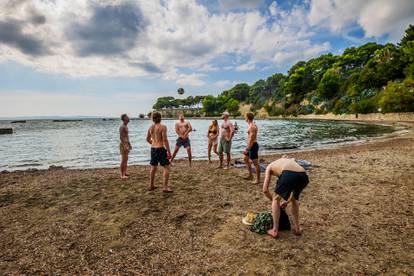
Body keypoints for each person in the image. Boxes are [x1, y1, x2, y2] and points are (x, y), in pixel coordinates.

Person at [262, 157, 309, 238]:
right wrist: (287, 202)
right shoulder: (288, 161)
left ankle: (274, 231)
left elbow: (265, 190)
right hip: (303, 175)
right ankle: (297, 229)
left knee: (276, 199)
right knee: (294, 199)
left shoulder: (270, 166)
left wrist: (273, 200)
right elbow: (292, 191)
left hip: (288, 174)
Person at [146, 112, 173, 192]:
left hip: (153, 149)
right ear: (160, 118)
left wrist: (153, 144)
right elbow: (165, 140)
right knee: (167, 167)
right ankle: (165, 187)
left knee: (153, 167)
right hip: (160, 148)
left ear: (152, 119)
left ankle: (151, 185)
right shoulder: (163, 127)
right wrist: (169, 151)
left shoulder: (150, 127)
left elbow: (147, 139)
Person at [243, 112, 260, 184]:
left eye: (245, 117)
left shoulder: (252, 126)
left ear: (248, 117)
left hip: (253, 146)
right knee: (245, 159)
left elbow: (251, 139)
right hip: (250, 145)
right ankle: (250, 175)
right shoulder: (250, 125)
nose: (244, 118)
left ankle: (258, 179)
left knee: (255, 163)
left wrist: (247, 149)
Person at [119, 114, 131, 179]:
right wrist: (124, 145)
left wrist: (129, 144)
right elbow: (121, 137)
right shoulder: (122, 127)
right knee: (123, 160)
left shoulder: (126, 126)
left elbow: (126, 136)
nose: (129, 118)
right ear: (124, 119)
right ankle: (122, 175)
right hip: (123, 145)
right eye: (127, 117)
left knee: (126, 159)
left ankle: (125, 172)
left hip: (127, 144)